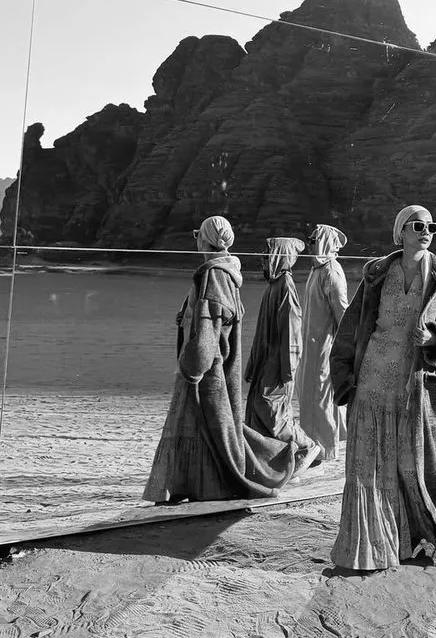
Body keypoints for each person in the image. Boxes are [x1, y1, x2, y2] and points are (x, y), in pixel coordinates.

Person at [329, 204, 436, 571]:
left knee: (410, 467)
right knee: (367, 466)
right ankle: (367, 547)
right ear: (400, 232)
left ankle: (412, 540)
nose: (426, 232)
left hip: (413, 387)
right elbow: (351, 326)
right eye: (417, 226)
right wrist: (342, 377)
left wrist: (435, 337)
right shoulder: (376, 273)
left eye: (431, 227)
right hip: (371, 380)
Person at [143, 215, 297, 504]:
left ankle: (274, 459)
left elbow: (210, 324)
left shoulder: (215, 274)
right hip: (210, 367)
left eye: (198, 236)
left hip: (207, 370)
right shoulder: (222, 272)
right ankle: (193, 488)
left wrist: (193, 368)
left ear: (205, 240)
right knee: (209, 428)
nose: (196, 241)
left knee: (211, 428)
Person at [244, 236, 308, 462]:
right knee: (258, 408)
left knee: (270, 409)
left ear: (280, 256)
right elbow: (260, 332)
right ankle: (268, 461)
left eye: (267, 254)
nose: (262, 259)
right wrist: (253, 365)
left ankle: (306, 447)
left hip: (277, 365)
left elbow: (292, 331)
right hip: (266, 362)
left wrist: (288, 370)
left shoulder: (286, 286)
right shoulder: (273, 286)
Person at [296, 224, 349, 464]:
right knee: (310, 394)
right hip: (310, 346)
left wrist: (343, 349)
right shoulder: (317, 270)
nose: (309, 244)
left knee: (320, 396)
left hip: (323, 347)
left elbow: (342, 313)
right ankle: (315, 447)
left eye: (313, 240)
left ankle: (323, 451)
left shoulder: (331, 272)